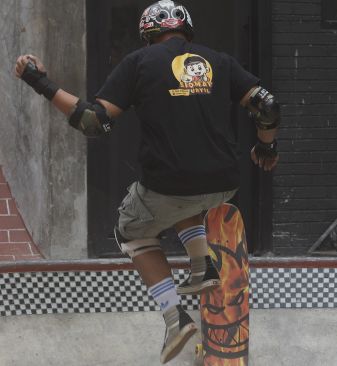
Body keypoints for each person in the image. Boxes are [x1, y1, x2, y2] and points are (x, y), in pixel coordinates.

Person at [15, 1, 279, 363]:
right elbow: (267, 105)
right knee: (182, 203)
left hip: (170, 185)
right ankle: (202, 266)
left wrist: (39, 82)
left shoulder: (139, 63)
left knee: (133, 230)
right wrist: (266, 147)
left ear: (147, 35)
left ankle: (174, 318)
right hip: (224, 183)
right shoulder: (218, 61)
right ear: (187, 30)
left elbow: (93, 122)